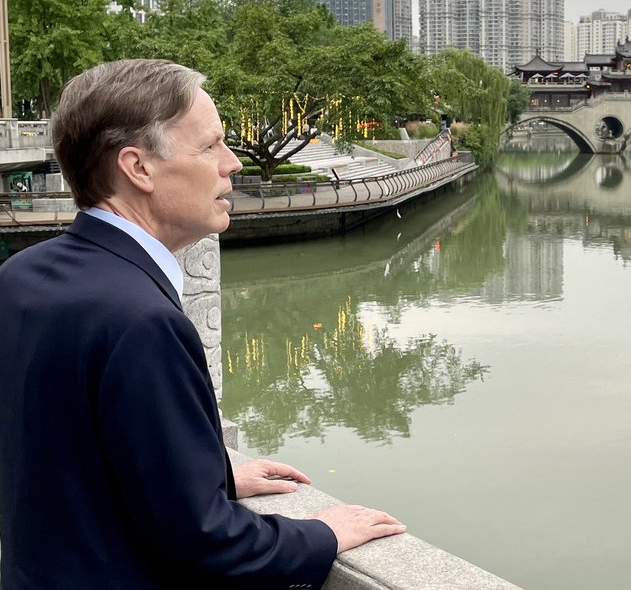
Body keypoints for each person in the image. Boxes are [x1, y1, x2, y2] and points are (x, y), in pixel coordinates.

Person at [0, 60, 407, 589]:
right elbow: (207, 541)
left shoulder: (21, 274)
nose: (232, 163)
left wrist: (206, 477)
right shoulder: (141, 320)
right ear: (138, 168)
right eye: (210, 146)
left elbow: (62, 455)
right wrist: (322, 534)